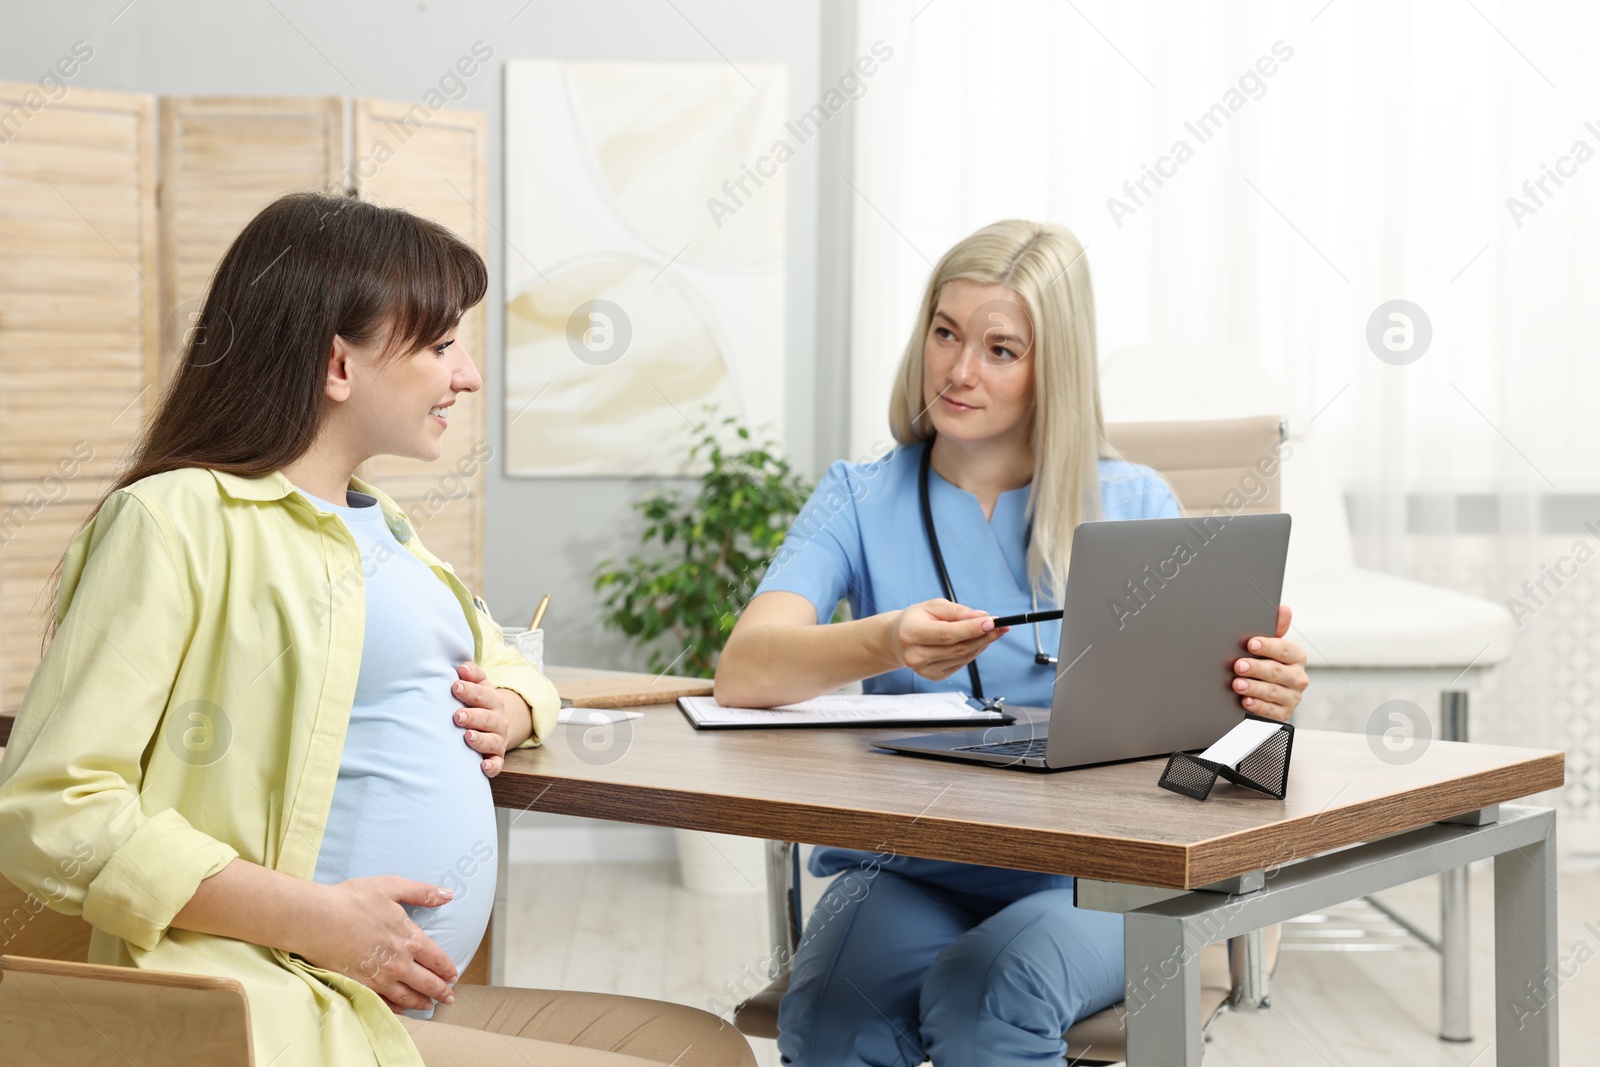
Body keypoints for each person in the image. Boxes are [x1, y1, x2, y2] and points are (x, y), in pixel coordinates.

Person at [0, 191, 754, 1067]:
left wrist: (511, 700)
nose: (467, 375)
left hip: (397, 992)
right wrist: (317, 918)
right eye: (440, 346)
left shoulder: (382, 526)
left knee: (708, 1046)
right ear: (338, 365)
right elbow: (51, 808)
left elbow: (503, 653)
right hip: (277, 991)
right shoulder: (176, 521)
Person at [715, 219, 1309, 1066]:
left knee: (990, 994)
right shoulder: (859, 497)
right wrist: (886, 640)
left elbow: (1221, 755)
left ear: (1051, 369)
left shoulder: (1136, 504)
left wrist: (1266, 698)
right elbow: (743, 669)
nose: (959, 371)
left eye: (1001, 349)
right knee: (830, 1017)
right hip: (909, 862)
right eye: (946, 333)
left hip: (1094, 873)